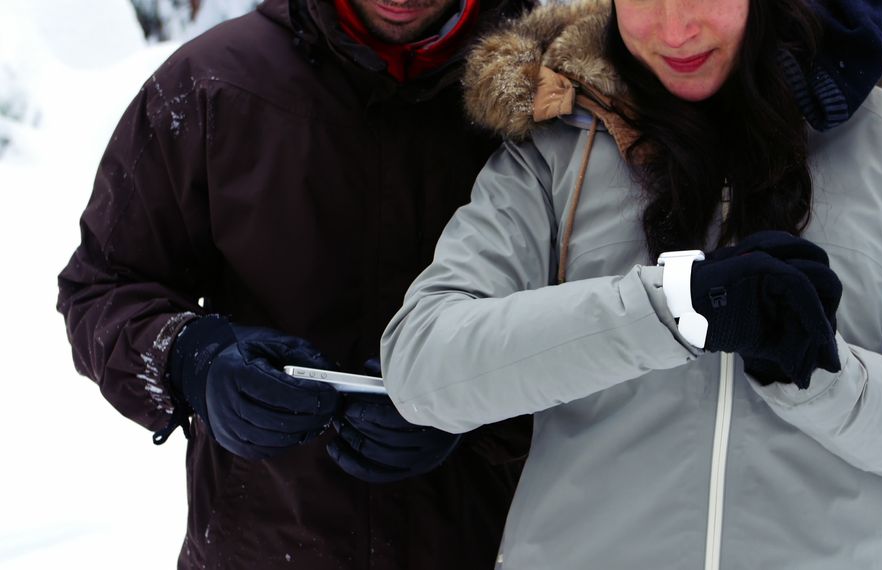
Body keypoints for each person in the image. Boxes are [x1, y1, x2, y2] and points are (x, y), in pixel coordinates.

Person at [381, 0, 882, 568]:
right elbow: (423, 366)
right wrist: (670, 310)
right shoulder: (556, 144)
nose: (675, 28)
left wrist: (822, 377)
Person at [56, 0, 534, 568]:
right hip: (257, 545)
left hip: (492, 544)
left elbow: (620, 324)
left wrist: (479, 406)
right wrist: (194, 361)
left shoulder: (550, 94)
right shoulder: (211, 84)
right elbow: (104, 285)